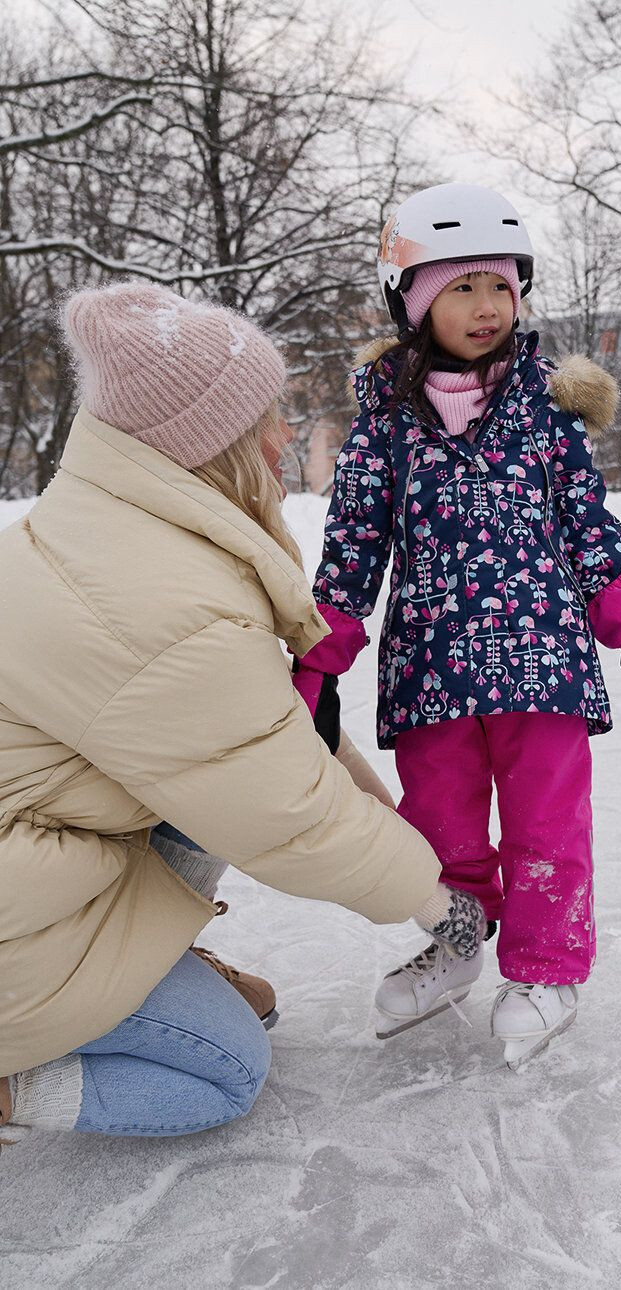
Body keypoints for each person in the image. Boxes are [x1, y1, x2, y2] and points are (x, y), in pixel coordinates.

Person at [0, 282, 485, 1139]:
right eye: (267, 415)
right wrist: (433, 897)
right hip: (16, 924)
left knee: (202, 808)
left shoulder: (112, 525)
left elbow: (268, 744)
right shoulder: (157, 605)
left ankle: (150, 958)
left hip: (41, 858)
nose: (286, 434)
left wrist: (404, 829)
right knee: (222, 1071)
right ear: (206, 444)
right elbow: (286, 814)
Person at [291, 183, 621, 1068]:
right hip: (430, 667)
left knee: (547, 825)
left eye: (499, 287)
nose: (484, 307)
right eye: (461, 287)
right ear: (414, 301)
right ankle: (459, 944)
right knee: (442, 830)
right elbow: (352, 547)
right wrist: (319, 658)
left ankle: (546, 968)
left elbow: (589, 527)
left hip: (542, 662)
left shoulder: (549, 409)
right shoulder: (382, 426)